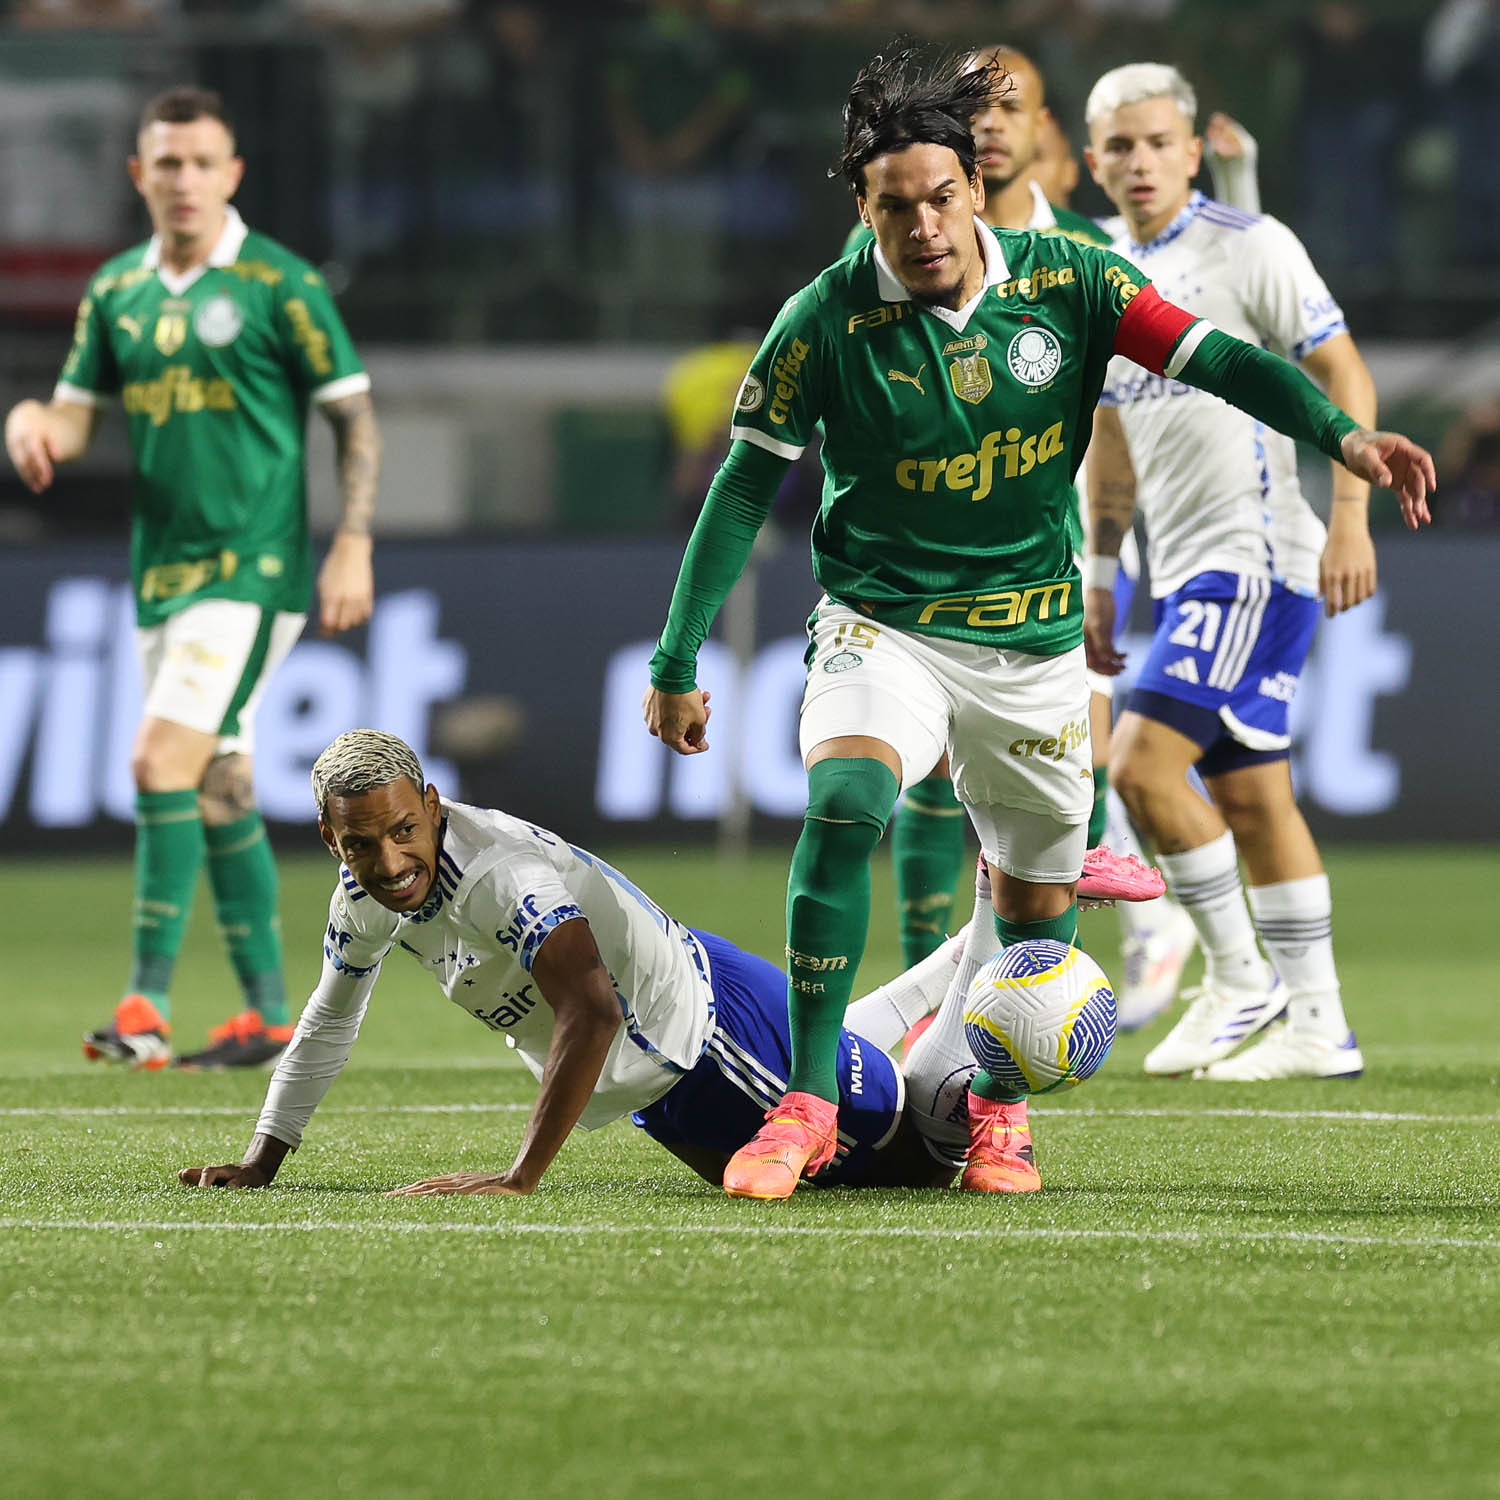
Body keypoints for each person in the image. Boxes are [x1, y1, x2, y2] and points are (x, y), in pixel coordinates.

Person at [641, 44, 1434, 1200]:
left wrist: (1342, 439)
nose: (920, 228)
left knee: (1033, 895)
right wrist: (676, 653)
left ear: (977, 188)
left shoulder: (1071, 283)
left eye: (940, 199)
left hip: (1033, 642)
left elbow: (1221, 361)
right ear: (862, 208)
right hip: (886, 623)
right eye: (891, 207)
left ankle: (997, 1116)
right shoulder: (820, 320)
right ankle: (807, 1102)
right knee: (847, 798)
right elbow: (744, 485)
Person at [178, 729, 979, 1198]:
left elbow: (590, 1010)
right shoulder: (359, 900)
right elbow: (327, 1021)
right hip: (655, 1082)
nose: (387, 862)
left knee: (915, 1165)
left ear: (429, 803)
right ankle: (977, 931)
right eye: (359, 844)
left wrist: (517, 1177)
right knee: (803, 1173)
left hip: (707, 1039)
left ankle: (1003, 955)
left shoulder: (500, 875)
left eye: (400, 831)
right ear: (330, 839)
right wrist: (262, 1161)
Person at [3, 86, 381, 1071]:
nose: (183, 180)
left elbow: (353, 414)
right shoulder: (116, 290)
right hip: (159, 576)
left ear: (232, 174)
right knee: (220, 784)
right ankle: (264, 1014)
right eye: (165, 163)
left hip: (252, 572)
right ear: (139, 175)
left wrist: (353, 541)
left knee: (153, 763)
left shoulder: (278, 283)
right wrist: (33, 423)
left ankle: (144, 1008)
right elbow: (78, 419)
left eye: (201, 162)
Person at [1081, 62, 1421, 1080]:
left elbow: (1342, 369)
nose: (1140, 163)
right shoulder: (1097, 272)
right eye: (1121, 147)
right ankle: (1319, 1024)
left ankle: (1239, 977)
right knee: (1253, 792)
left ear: (1192, 151)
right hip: (1179, 565)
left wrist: (1350, 518)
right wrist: (1104, 570)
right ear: (1095, 163)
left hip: (1253, 553)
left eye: (1157, 143)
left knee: (1141, 767)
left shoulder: (1249, 244)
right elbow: (1111, 444)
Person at [840, 46, 1131, 975]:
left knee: (1056, 793)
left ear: (1044, 132)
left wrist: (1105, 563)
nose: (995, 123)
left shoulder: (1084, 254)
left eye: (1014, 109)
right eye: (981, 109)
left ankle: (1027, 986)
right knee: (925, 775)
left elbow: (1118, 422)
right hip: (927, 573)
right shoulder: (880, 253)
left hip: (1055, 558)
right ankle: (931, 991)